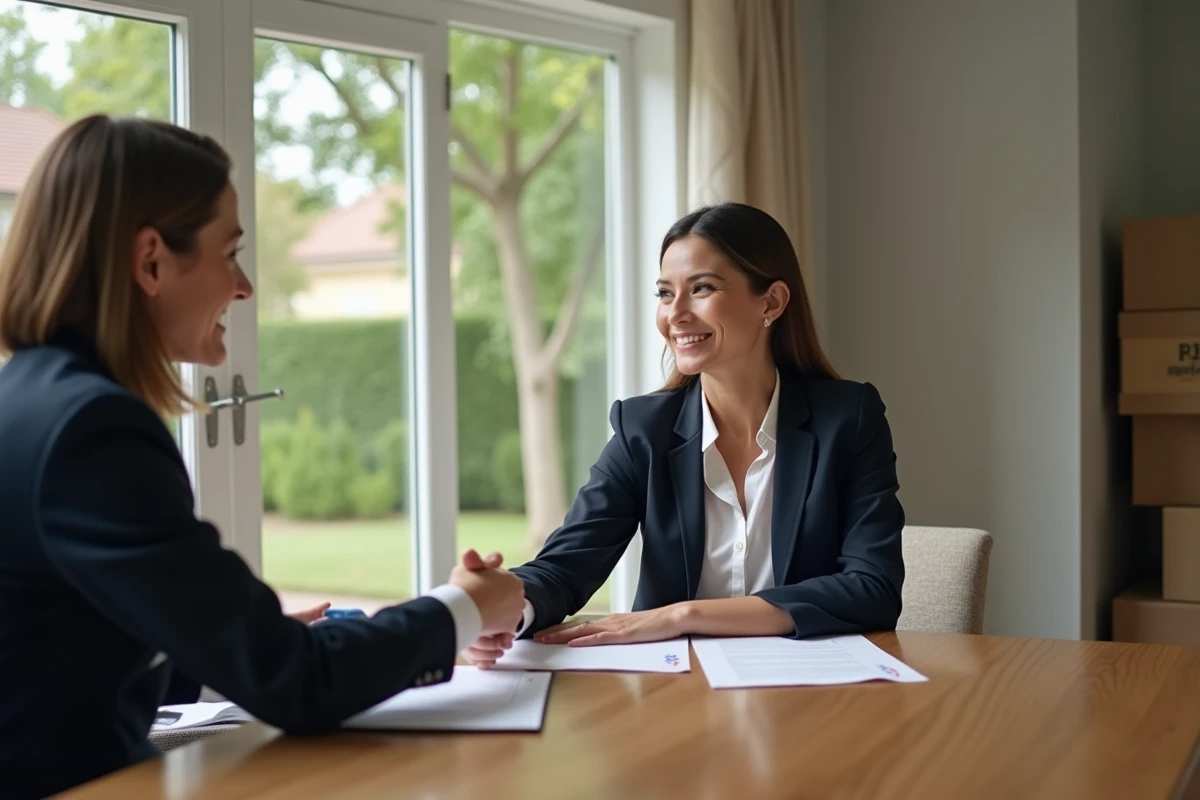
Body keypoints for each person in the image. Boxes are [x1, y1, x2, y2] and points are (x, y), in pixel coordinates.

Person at [0, 115, 525, 800]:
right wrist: (463, 607)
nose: (244, 286)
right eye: (229, 251)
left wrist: (234, 648)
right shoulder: (95, 431)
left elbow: (63, 659)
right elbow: (298, 683)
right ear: (151, 260)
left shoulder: (30, 398)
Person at [463, 202, 904, 666]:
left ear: (771, 302)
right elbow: (567, 564)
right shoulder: (643, 432)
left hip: (811, 691)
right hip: (674, 694)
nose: (676, 314)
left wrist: (684, 616)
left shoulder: (849, 419)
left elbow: (872, 589)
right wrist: (503, 606)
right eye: (664, 293)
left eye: (702, 288)